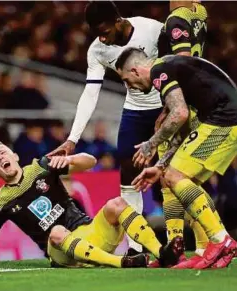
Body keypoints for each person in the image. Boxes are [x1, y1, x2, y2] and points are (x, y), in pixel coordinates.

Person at [47, 0, 164, 255]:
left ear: (118, 21)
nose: (103, 38)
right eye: (97, 33)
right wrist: (72, 140)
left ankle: (202, 241)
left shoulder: (154, 30)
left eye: (106, 31)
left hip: (168, 106)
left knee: (176, 174)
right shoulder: (98, 50)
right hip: (136, 110)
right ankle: (136, 248)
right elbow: (90, 94)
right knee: (128, 175)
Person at [0, 141, 183, 269]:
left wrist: (71, 159)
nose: (0, 158)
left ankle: (161, 252)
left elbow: (90, 162)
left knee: (117, 204)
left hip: (89, 234)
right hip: (61, 252)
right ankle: (123, 262)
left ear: (14, 155)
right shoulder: (0, 202)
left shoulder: (42, 166)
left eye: (2, 152)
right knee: (57, 231)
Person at [115, 48, 237, 269]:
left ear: (135, 70)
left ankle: (221, 240)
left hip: (224, 121)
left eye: (127, 80)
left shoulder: (159, 71)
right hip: (224, 119)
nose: (129, 87)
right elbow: (182, 126)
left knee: (175, 176)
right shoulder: (173, 67)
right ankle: (212, 247)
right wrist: (160, 165)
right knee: (181, 180)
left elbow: (179, 114)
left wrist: (150, 144)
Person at [152, 0, 213, 268]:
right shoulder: (199, 12)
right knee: (184, 179)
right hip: (199, 103)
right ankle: (187, 245)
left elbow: (184, 63)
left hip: (183, 103)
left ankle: (205, 246)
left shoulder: (176, 18)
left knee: (174, 177)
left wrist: (173, 108)